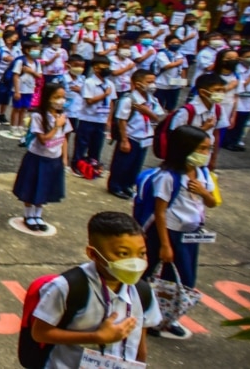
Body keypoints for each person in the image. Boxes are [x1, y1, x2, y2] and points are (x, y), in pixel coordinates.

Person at [29, 211, 160, 368]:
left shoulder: (142, 291)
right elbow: (40, 333)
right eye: (123, 254)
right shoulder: (68, 287)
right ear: (93, 254)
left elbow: (140, 340)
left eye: (142, 253)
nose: (134, 262)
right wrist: (96, 337)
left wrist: (141, 362)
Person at [142, 125, 219, 340]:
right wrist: (165, 245)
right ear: (185, 149)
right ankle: (150, 317)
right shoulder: (168, 177)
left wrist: (203, 192)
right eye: (202, 149)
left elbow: (212, 203)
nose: (206, 153)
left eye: (208, 148)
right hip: (168, 233)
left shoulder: (203, 174)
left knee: (184, 279)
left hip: (190, 233)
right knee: (155, 277)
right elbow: (160, 212)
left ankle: (168, 317)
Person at [13, 83, 71, 231]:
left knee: (45, 187)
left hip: (54, 159)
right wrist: (57, 126)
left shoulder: (63, 116)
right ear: (47, 98)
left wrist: (64, 158)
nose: (61, 100)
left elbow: (64, 138)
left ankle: (38, 214)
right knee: (31, 187)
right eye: (56, 97)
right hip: (37, 158)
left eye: (63, 97)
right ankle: (28, 215)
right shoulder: (38, 116)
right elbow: (43, 139)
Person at [107, 70, 164, 200]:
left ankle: (128, 185)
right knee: (122, 164)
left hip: (144, 138)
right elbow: (122, 120)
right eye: (149, 82)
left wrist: (147, 112)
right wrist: (124, 140)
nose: (153, 85)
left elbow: (158, 118)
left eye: (153, 82)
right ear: (138, 84)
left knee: (136, 164)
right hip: (131, 137)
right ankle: (115, 186)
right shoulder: (129, 100)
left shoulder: (152, 100)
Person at [72, 55, 116, 177]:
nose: (107, 70)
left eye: (108, 67)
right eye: (104, 67)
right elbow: (89, 101)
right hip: (88, 118)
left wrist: (109, 119)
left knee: (97, 144)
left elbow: (112, 102)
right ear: (96, 68)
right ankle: (77, 164)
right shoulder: (89, 83)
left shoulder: (110, 84)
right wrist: (104, 95)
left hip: (101, 119)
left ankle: (93, 165)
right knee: (82, 143)